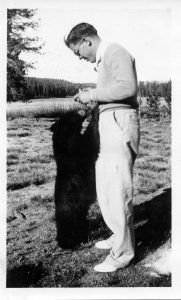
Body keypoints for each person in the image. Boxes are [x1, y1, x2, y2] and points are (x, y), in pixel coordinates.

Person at [64, 23, 140, 273]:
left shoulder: (115, 51)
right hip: (111, 121)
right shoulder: (106, 57)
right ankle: (118, 235)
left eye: (78, 51)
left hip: (119, 121)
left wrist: (93, 95)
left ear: (86, 40)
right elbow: (114, 90)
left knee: (118, 188)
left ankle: (122, 253)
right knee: (107, 185)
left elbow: (128, 88)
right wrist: (92, 97)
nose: (79, 57)